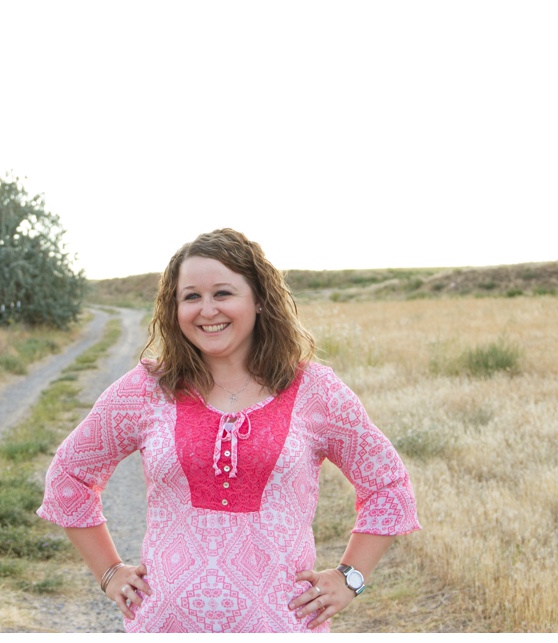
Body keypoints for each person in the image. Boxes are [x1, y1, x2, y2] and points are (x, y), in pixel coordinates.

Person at [37, 228, 420, 632]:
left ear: (258, 300)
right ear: (174, 309)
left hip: (281, 628)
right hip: (165, 627)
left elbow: (387, 487)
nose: (207, 310)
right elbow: (70, 477)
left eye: (222, 293)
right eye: (191, 297)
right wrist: (109, 571)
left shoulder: (315, 391)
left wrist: (349, 578)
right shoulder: (148, 388)